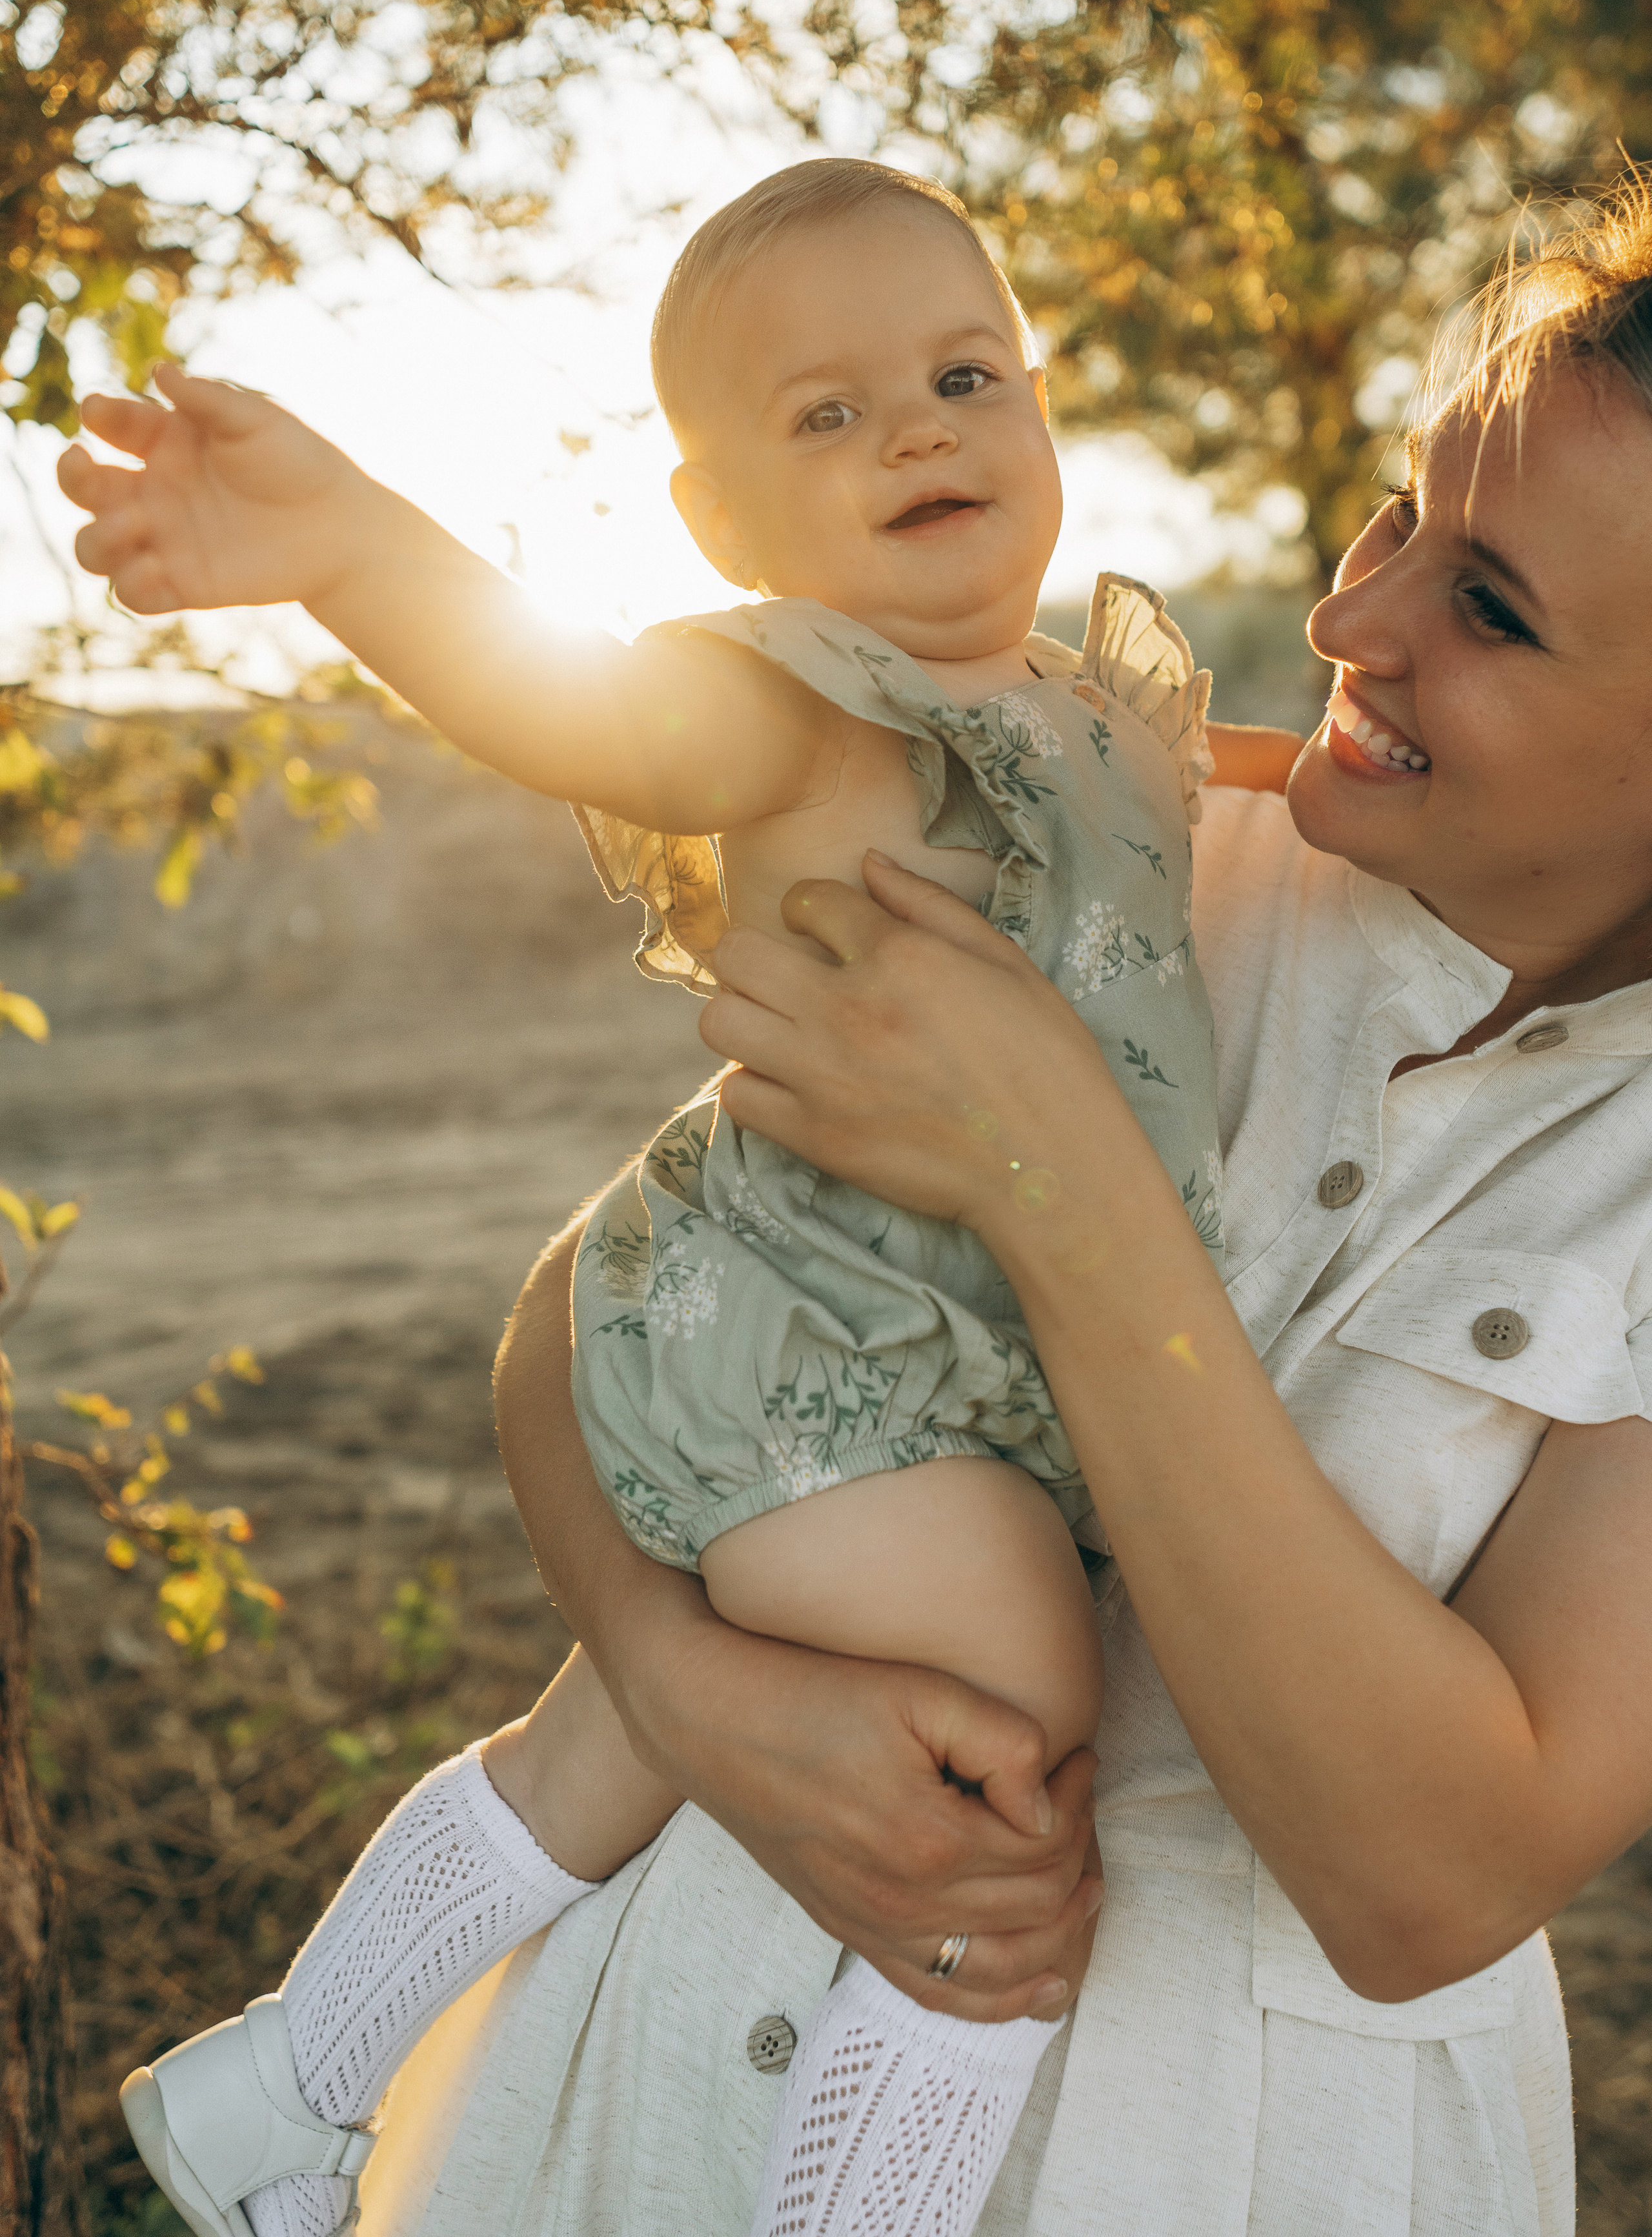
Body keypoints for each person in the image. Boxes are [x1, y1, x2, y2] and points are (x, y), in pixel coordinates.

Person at [347, 174, 1652, 2237]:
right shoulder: (1124, 857)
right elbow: (609, 1297)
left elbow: (1432, 1885)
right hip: (673, 2070)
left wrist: (1058, 1180)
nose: (1347, 623)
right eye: (1398, 516)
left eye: (1487, 608)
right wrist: (690, 1688)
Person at [61, 159, 1260, 2237]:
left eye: (968, 374)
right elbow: (567, 704)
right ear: (716, 524)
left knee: (610, 1731)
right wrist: (351, 545)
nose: (916, 429)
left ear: (1048, 414)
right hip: (821, 1343)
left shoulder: (1098, 708)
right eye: (825, 414)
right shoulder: (800, 693)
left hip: (924, 1355)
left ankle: (289, 2082)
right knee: (1003, 1749)